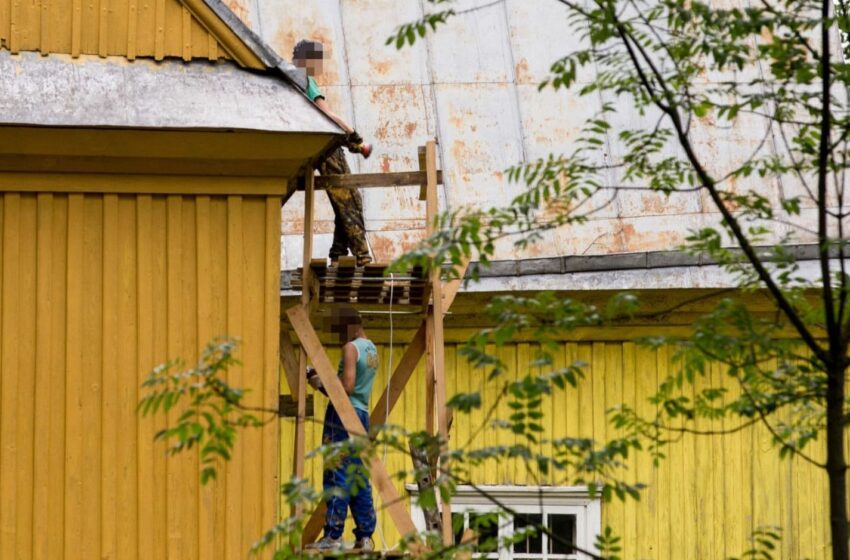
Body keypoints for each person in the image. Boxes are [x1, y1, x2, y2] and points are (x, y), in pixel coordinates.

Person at [292, 39, 372, 267]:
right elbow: (326, 115)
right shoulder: (306, 79)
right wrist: (354, 134)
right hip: (325, 145)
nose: (320, 65)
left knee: (341, 201)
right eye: (318, 60)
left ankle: (338, 252)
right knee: (350, 199)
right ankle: (363, 257)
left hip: (308, 145)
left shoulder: (289, 80)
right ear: (307, 60)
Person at [305, 306, 378, 551]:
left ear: (349, 326)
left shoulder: (351, 347)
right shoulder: (372, 350)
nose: (339, 338)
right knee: (357, 475)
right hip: (361, 416)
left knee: (336, 473)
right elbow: (358, 386)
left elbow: (345, 388)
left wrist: (319, 382)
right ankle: (365, 535)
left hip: (343, 415)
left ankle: (333, 535)